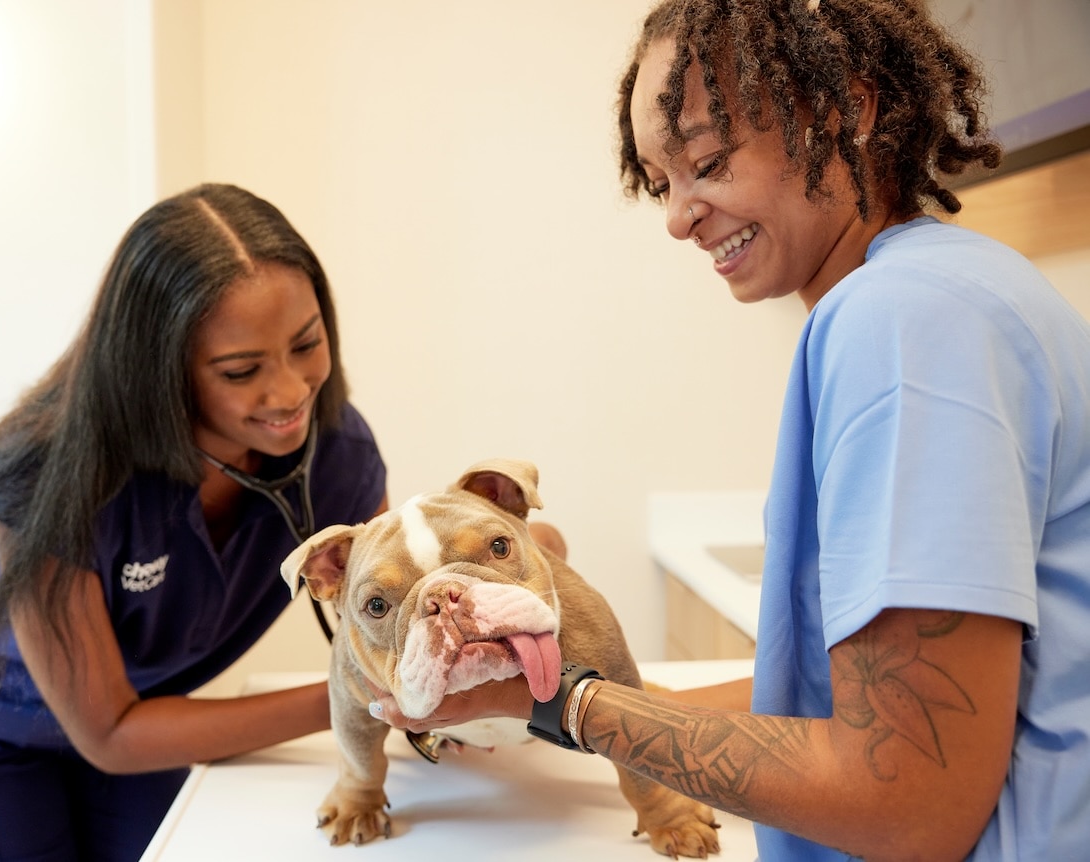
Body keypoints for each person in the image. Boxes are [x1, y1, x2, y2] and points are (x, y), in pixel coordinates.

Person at [369, 1, 1090, 860]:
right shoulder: (955, 287)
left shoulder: (902, 323)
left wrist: (567, 708)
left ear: (846, 111)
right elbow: (835, 705)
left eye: (707, 161)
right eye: (660, 181)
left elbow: (910, 802)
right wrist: (531, 698)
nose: (678, 216)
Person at [0, 183, 389, 861]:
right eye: (241, 370)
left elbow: (392, 612)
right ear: (159, 369)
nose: (290, 392)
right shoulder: (55, 474)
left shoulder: (337, 454)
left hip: (138, 710)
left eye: (306, 343)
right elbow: (110, 735)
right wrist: (358, 696)